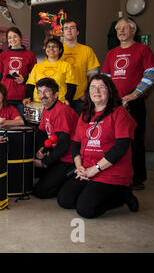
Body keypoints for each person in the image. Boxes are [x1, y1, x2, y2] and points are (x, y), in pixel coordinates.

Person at [57, 74, 139, 218]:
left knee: (85, 210)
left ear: (110, 91)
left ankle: (123, 195)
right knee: (65, 200)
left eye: (102, 87)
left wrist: (94, 170)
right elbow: (76, 144)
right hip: (87, 169)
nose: (97, 91)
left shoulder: (120, 113)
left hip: (111, 172)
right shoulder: (85, 114)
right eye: (93, 87)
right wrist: (79, 167)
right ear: (88, 92)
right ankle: (93, 191)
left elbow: (121, 147)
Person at [101, 18, 154, 190]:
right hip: (113, 104)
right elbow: (105, 78)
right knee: (112, 140)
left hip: (134, 103)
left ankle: (137, 177)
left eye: (126, 28)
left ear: (133, 31)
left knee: (135, 140)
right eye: (119, 29)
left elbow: (150, 75)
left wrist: (133, 95)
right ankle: (115, 174)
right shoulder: (111, 53)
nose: (122, 31)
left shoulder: (143, 50)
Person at [32, 78, 78, 199]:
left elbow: (63, 145)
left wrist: (44, 163)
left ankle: (71, 176)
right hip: (56, 154)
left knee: (41, 192)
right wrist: (41, 150)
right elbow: (41, 132)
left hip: (68, 159)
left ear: (56, 94)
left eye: (46, 91)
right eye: (39, 92)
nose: (42, 95)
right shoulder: (47, 109)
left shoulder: (62, 111)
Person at [60, 20, 100, 114]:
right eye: (66, 28)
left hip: (80, 98)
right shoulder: (56, 50)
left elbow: (93, 75)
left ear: (77, 32)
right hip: (61, 98)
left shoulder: (87, 50)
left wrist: (88, 93)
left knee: (81, 126)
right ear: (63, 33)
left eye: (72, 28)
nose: (69, 30)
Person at [0, 27, 37, 117]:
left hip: (23, 98)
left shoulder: (30, 55)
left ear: (20, 38)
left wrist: (24, 79)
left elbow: (35, 76)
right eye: (9, 37)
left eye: (15, 36)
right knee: (5, 125)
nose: (12, 39)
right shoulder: (3, 55)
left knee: (21, 125)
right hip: (5, 97)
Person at [24, 38, 77, 106]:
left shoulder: (66, 66)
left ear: (60, 50)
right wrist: (28, 98)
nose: (51, 48)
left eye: (54, 46)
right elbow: (31, 85)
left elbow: (71, 86)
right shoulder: (37, 66)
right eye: (48, 46)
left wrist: (67, 100)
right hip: (38, 103)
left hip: (58, 102)